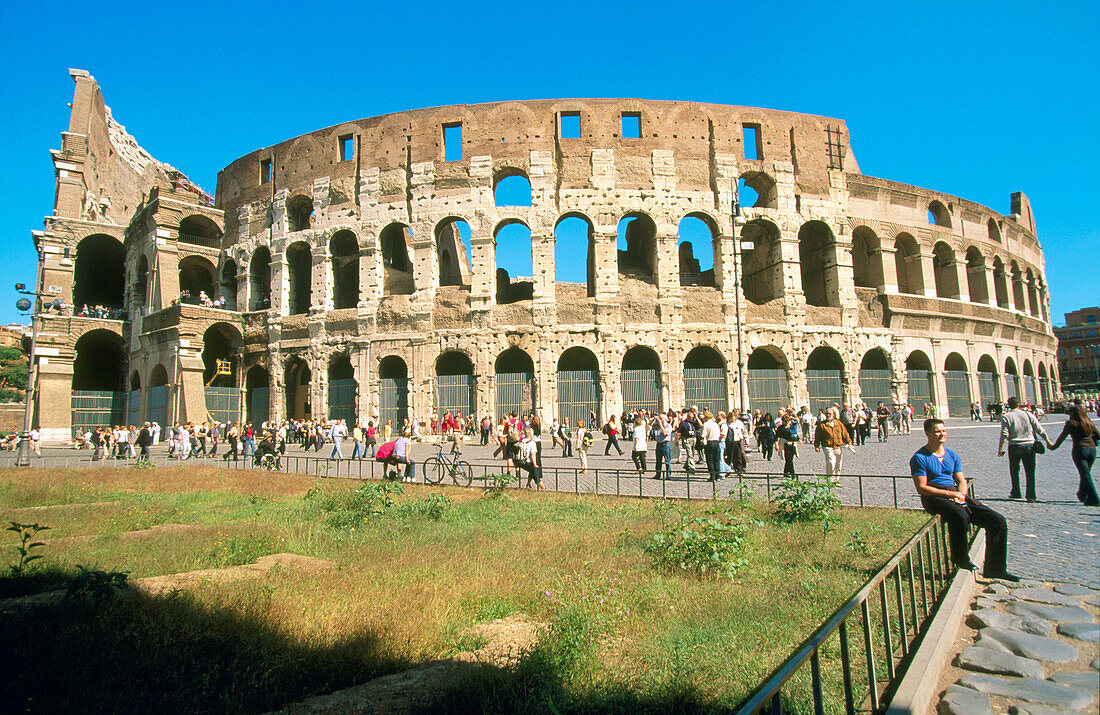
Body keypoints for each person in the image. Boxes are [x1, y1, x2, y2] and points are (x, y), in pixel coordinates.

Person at [910, 418, 1018, 581]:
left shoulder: (952, 455)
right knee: (960, 516)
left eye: (944, 431)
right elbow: (921, 488)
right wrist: (950, 495)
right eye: (937, 431)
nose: (942, 434)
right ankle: (961, 559)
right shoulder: (919, 457)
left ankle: (995, 569)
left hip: (955, 494)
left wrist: (961, 494)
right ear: (927, 433)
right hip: (934, 497)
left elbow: (961, 480)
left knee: (998, 521)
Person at [997, 396, 1050, 502]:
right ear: (1019, 405)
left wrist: (1000, 449)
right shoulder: (1028, 414)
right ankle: (1031, 495)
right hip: (1029, 446)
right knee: (1030, 471)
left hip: (1014, 446)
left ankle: (1016, 492)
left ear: (1008, 405)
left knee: (1014, 470)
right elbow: (1039, 429)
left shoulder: (1006, 416)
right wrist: (1048, 441)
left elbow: (1004, 434)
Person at [1048, 404, 1099, 506]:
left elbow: (1062, 437)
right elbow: (1098, 435)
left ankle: (1094, 499)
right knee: (1085, 473)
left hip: (1080, 450)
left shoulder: (1071, 424)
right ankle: (1082, 494)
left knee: (1085, 474)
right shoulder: (1089, 423)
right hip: (1092, 451)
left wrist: (1053, 447)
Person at [814, 407, 854, 480]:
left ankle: (836, 479)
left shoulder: (839, 423)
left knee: (838, 464)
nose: (828, 415)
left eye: (830, 414)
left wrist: (849, 443)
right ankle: (830, 479)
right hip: (827, 446)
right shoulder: (822, 425)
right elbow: (817, 436)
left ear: (833, 414)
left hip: (838, 446)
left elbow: (845, 434)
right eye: (827, 414)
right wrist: (816, 445)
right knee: (831, 462)